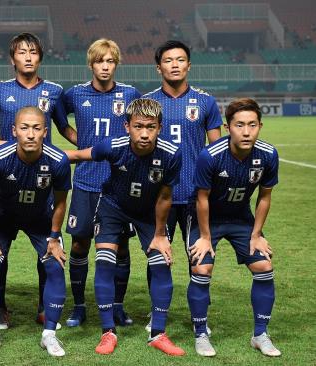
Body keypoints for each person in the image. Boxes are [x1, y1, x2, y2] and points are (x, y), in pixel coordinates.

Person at [65, 98, 185, 356]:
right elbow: (76, 155)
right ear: (126, 126)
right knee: (105, 261)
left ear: (160, 128)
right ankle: (108, 332)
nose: (144, 133)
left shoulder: (171, 153)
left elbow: (165, 197)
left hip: (148, 212)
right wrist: (38, 153)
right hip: (113, 208)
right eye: (138, 126)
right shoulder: (113, 146)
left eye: (151, 127)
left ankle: (158, 334)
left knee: (161, 263)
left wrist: (161, 234)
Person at [0, 32, 77, 329]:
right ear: (12, 59)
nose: (27, 56)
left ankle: (42, 306)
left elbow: (63, 126)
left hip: (41, 182)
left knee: (48, 252)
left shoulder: (54, 90)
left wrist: (87, 149)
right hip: (9, 174)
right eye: (21, 52)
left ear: (39, 57)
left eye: (33, 52)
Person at [186, 98, 281, 357]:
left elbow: (264, 196)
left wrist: (257, 234)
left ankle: (260, 334)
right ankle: (201, 334)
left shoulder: (268, 154)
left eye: (252, 125)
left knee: (264, 266)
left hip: (241, 218)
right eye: (240, 125)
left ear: (260, 125)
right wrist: (205, 237)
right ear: (229, 127)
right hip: (207, 218)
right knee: (202, 267)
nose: (247, 131)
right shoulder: (211, 156)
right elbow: (202, 199)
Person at [0, 107, 70, 358]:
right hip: (4, 217)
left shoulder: (58, 160)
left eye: (36, 128)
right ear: (14, 131)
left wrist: (54, 238)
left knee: (55, 265)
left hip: (40, 218)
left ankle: (49, 335)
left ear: (45, 132)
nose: (30, 134)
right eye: (25, 128)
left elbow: (61, 202)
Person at [143, 40, 221, 333]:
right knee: (156, 257)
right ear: (158, 67)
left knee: (198, 257)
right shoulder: (147, 103)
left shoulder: (205, 101)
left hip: (193, 193)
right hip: (157, 194)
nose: (174, 64)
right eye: (168, 60)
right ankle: (156, 312)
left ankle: (198, 314)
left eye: (180, 59)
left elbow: (217, 149)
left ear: (189, 65)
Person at [62, 38, 141, 328]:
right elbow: (59, 120)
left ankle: (118, 306)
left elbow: (140, 127)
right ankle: (79, 306)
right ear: (91, 64)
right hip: (85, 180)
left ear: (116, 63)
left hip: (119, 184)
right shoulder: (74, 94)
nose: (105, 67)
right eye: (99, 61)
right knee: (80, 244)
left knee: (120, 246)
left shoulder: (130, 94)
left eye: (110, 61)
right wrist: (79, 141)